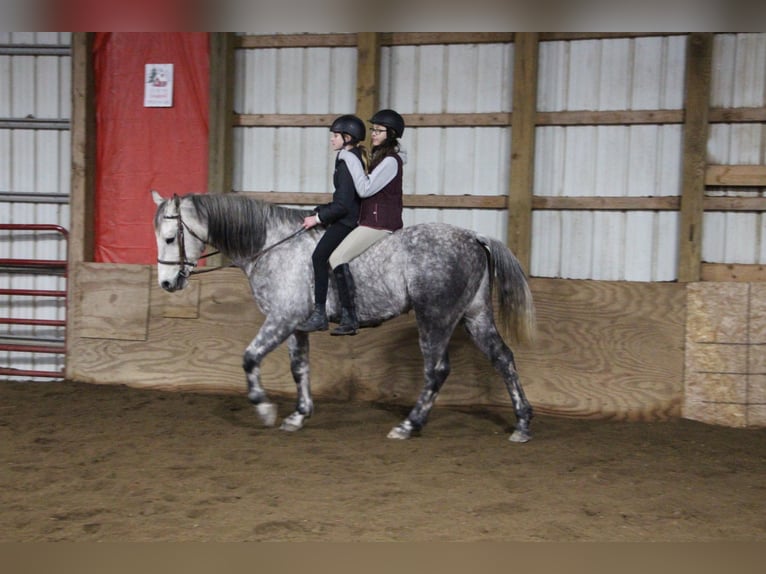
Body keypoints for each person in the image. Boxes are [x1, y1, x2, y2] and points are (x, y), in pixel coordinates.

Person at [327, 108, 406, 336]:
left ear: (390, 134)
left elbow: (364, 188)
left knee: (337, 257)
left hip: (380, 223)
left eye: (378, 131)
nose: (373, 134)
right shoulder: (381, 157)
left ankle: (350, 317)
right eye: (373, 130)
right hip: (369, 220)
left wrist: (347, 157)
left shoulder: (391, 162)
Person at [296, 114, 367, 333]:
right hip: (348, 215)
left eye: (336, 135)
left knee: (319, 257)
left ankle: (322, 314)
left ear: (348, 137)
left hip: (347, 221)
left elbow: (344, 205)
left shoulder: (347, 163)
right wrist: (323, 210)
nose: (332, 139)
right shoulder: (351, 157)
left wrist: (317, 218)